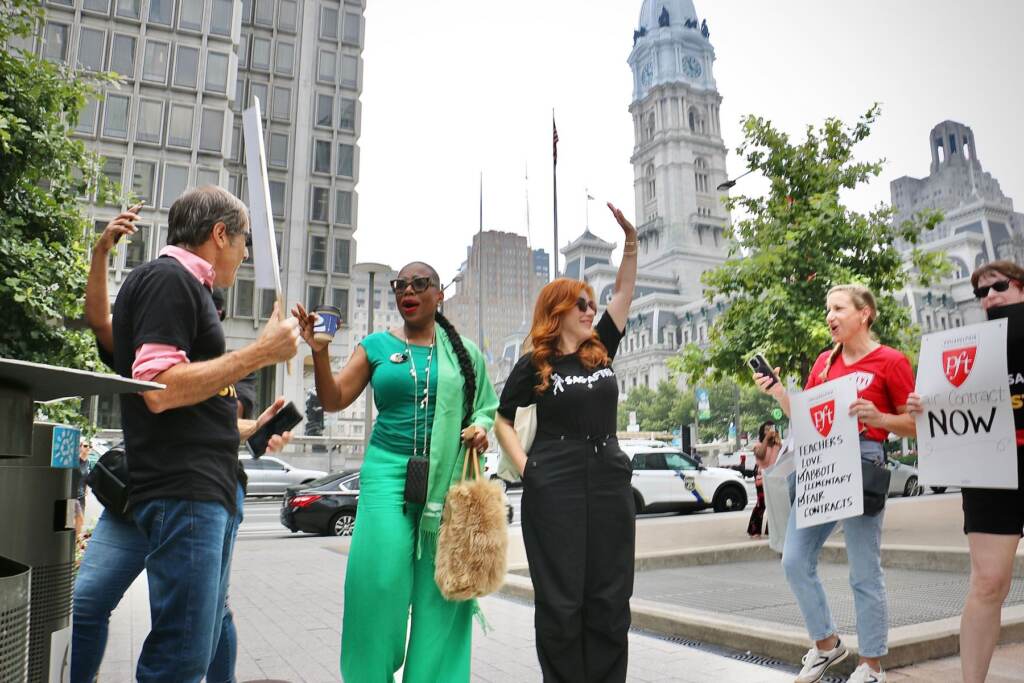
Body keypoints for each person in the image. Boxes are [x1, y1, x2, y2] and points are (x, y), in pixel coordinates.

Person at [72, 211, 278, 683]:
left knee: (205, 625)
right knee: (102, 610)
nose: (246, 253)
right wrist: (101, 252)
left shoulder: (232, 368)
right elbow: (109, 333)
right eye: (242, 242)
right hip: (151, 487)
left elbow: (226, 425)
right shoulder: (165, 292)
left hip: (204, 488)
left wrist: (260, 425)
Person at [293, 261, 498, 682]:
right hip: (387, 474)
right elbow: (333, 400)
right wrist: (318, 350)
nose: (408, 289)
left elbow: (486, 407)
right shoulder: (375, 346)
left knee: (442, 593)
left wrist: (481, 428)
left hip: (447, 480)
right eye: (401, 284)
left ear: (438, 295)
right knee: (377, 585)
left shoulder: (465, 352)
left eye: (420, 283)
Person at [494, 202, 637, 683]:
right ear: (557, 311)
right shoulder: (534, 364)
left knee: (610, 597)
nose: (591, 310)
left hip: (609, 480)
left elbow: (623, 292)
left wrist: (631, 246)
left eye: (592, 304)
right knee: (561, 601)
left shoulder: (602, 348)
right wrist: (528, 468)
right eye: (581, 304)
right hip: (554, 484)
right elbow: (503, 420)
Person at [754, 284, 917, 683]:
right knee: (794, 559)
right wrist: (777, 391)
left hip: (863, 461)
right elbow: (809, 418)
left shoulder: (891, 362)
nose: (830, 316)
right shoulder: (824, 364)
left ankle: (873, 666)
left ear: (865, 314)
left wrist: (879, 419)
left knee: (864, 569)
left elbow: (915, 423)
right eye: (827, 309)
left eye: (839, 308)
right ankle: (827, 645)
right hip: (822, 463)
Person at [907, 260, 1024, 683]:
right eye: (981, 293)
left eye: (1000, 287)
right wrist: (923, 407)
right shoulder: (967, 349)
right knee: (988, 583)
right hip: (991, 470)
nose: (990, 297)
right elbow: (945, 405)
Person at [747, 420, 778, 538]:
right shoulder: (758, 445)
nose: (769, 431)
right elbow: (760, 455)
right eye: (766, 429)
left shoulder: (777, 445)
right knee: (762, 504)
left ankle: (771, 531)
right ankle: (754, 530)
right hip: (762, 478)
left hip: (775, 478)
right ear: (762, 431)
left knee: (775, 506)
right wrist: (766, 439)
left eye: (771, 428)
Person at [73, 441, 92, 537]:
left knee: (79, 522)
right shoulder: (75, 461)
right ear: (80, 447)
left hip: (81, 496)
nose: (88, 448)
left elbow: (86, 477)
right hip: (73, 495)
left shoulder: (88, 462)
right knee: (73, 520)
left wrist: (86, 487)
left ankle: (75, 544)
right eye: (85, 446)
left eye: (90, 446)